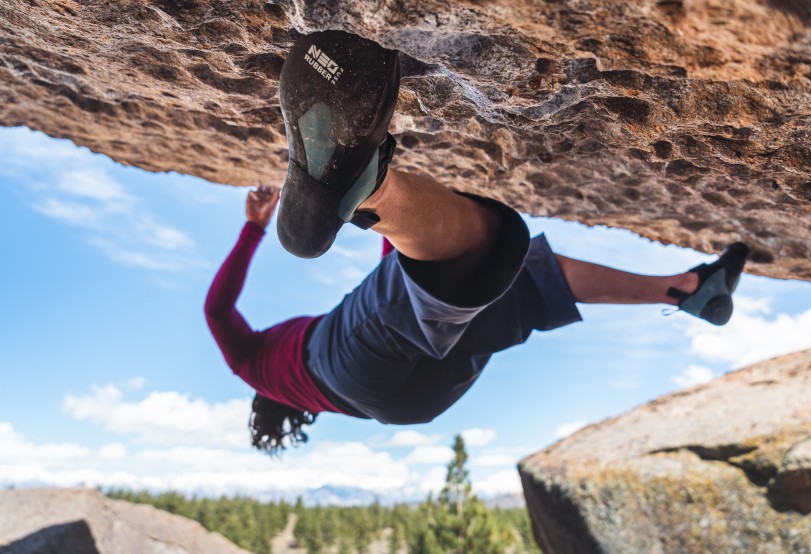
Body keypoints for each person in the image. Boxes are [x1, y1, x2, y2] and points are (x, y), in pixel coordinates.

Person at [204, 31, 749, 455]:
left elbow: (397, 303)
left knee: (515, 279)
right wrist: (252, 228)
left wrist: (397, 242)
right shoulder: (254, 364)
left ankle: (684, 291)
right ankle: (362, 189)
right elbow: (217, 309)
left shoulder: (298, 392)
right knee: (472, 261)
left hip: (415, 404)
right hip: (343, 362)